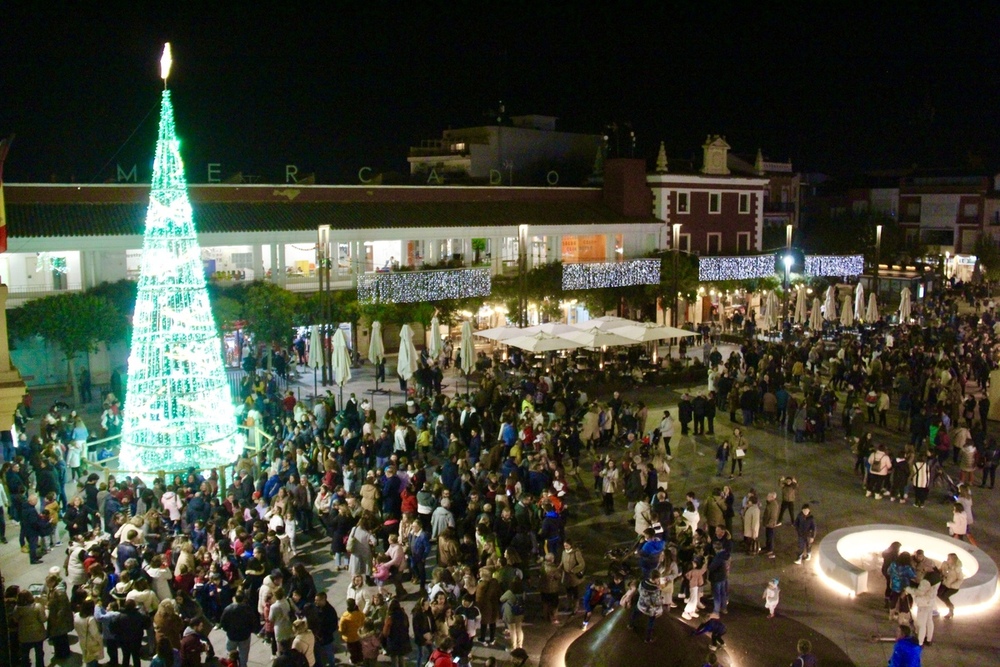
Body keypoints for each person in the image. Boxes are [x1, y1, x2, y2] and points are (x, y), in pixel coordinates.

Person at [220, 591, 256, 667]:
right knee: (243, 655)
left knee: (230, 653)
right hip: (244, 636)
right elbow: (253, 622)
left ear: (235, 598)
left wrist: (227, 630)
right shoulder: (248, 609)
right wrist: (249, 630)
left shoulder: (228, 609)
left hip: (232, 636)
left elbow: (223, 623)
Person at [13, 589, 47, 667]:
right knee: (39, 653)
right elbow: (43, 619)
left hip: (24, 634)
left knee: (25, 654)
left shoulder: (17, 608)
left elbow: (15, 619)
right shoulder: (37, 606)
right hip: (37, 634)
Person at [631, 571, 663, 643]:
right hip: (650, 610)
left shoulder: (643, 582)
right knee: (651, 622)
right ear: (656, 578)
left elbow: (639, 590)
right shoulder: (655, 589)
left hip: (641, 605)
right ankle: (648, 638)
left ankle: (630, 625)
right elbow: (656, 602)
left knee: (635, 613)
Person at [937, 553, 964, 619]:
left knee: (945, 596)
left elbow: (960, 579)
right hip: (945, 584)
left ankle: (950, 609)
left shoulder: (957, 569)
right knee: (938, 593)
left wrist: (953, 585)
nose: (947, 559)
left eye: (949, 558)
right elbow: (940, 570)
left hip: (953, 587)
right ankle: (950, 607)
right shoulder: (945, 564)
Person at [339, 598, 366, 665]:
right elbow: (363, 622)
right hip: (359, 635)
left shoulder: (345, 617)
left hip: (349, 637)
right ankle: (360, 659)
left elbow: (341, 629)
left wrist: (342, 633)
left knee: (352, 650)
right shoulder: (360, 613)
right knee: (359, 648)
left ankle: (354, 661)